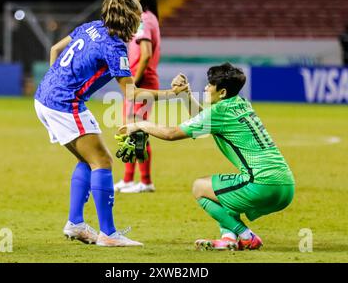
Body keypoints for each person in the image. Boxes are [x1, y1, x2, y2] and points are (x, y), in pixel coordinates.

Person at [34, 0, 186, 247]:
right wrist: (173, 94)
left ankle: (76, 224)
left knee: (88, 159)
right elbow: (131, 92)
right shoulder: (115, 46)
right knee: (102, 160)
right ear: (129, 19)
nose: (140, 22)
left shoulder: (92, 26)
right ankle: (108, 234)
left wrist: (54, 81)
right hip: (64, 104)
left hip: (44, 96)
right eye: (138, 17)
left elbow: (55, 48)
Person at [120, 63, 295, 250]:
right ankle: (228, 238)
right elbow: (205, 122)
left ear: (222, 92)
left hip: (263, 185)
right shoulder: (242, 104)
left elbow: (171, 134)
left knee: (200, 188)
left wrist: (141, 124)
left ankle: (246, 235)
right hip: (286, 187)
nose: (205, 88)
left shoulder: (219, 112)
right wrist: (185, 95)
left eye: (210, 85)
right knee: (219, 189)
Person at [114, 0, 161, 194]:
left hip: (141, 82)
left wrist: (134, 81)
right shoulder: (144, 18)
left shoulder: (144, 20)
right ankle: (128, 179)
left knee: (138, 132)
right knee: (131, 131)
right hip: (138, 82)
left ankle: (146, 181)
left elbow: (146, 55)